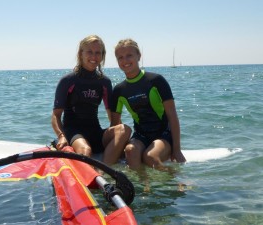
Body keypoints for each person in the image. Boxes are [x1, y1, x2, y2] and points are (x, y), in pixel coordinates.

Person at [51, 35, 131, 165]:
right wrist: (61, 136)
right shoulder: (68, 81)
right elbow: (56, 116)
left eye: (98, 53)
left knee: (125, 129)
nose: (94, 57)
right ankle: (97, 173)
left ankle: (105, 169)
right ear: (80, 53)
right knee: (85, 150)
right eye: (89, 52)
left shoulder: (104, 82)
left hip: (96, 132)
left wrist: (120, 143)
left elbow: (113, 118)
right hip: (74, 133)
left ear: (102, 56)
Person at [110, 38, 186, 170]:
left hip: (163, 134)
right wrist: (118, 150)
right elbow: (115, 125)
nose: (125, 61)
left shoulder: (156, 80)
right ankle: (141, 188)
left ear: (139, 56)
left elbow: (172, 116)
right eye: (120, 57)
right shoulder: (119, 90)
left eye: (129, 55)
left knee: (150, 156)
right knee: (130, 151)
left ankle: (174, 182)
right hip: (141, 136)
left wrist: (177, 150)